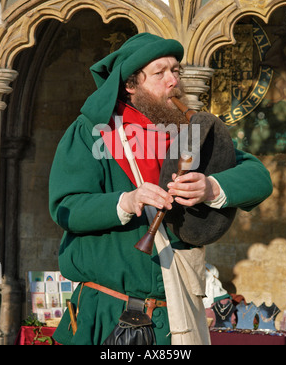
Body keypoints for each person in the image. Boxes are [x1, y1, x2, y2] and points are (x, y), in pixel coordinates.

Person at [49, 33, 273, 345]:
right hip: (108, 317)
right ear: (130, 85)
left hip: (176, 319)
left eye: (176, 71)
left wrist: (211, 187)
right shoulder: (92, 132)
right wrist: (126, 201)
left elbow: (258, 177)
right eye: (160, 73)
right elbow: (67, 207)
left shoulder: (191, 132)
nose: (173, 81)